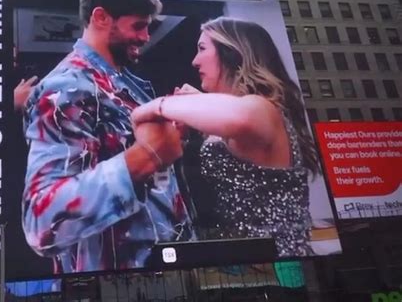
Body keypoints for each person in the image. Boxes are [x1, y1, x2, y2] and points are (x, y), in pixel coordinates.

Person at [22, 0, 194, 273]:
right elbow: (42, 220)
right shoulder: (65, 88)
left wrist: (176, 133)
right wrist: (147, 155)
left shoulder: (128, 84)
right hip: (118, 284)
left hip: (172, 268)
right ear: (100, 17)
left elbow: (154, 176)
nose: (145, 37)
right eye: (138, 26)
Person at [131, 17, 319, 256]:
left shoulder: (263, 110)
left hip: (280, 260)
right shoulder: (251, 120)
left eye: (201, 49)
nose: (194, 61)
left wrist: (153, 107)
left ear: (231, 53)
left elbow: (239, 117)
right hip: (245, 258)